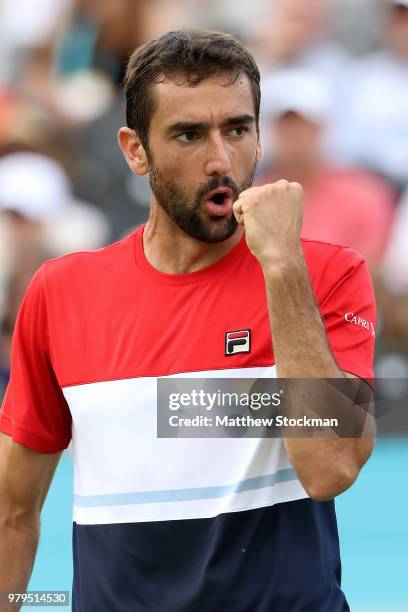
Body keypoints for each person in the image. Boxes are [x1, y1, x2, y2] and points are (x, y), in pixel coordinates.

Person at [0, 30, 375, 611]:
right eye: (188, 134)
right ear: (134, 150)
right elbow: (12, 514)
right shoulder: (61, 292)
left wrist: (281, 268)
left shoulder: (325, 275)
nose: (221, 160)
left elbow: (331, 468)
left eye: (237, 129)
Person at [260, 68, 396, 270]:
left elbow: (369, 269)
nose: (294, 135)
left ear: (322, 128)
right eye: (285, 125)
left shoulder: (364, 194)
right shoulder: (256, 196)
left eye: (302, 125)